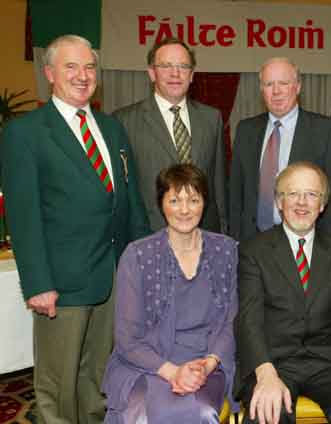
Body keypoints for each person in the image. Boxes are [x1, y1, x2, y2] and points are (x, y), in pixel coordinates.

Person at [0, 34, 150, 424]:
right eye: (71, 66)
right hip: (61, 281)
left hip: (113, 274)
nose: (83, 76)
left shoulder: (111, 128)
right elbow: (23, 215)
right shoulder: (25, 132)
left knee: (99, 376)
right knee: (57, 384)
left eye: (89, 67)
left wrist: (138, 266)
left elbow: (129, 201)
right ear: (49, 73)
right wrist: (37, 283)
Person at [236, 161, 331, 424]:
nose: (302, 203)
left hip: (326, 363)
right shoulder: (253, 251)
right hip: (273, 361)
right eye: (293, 194)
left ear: (322, 205)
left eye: (311, 194)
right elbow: (249, 319)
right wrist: (265, 373)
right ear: (279, 202)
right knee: (268, 413)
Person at [102, 164, 237, 423]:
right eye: (174, 200)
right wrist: (173, 372)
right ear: (161, 204)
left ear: (204, 203)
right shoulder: (138, 255)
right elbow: (127, 339)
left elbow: (231, 322)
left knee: (200, 412)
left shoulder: (226, 251)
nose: (184, 210)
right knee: (139, 415)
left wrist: (207, 365)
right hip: (149, 364)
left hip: (206, 365)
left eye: (193, 200)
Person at [229, 57, 331, 241]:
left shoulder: (327, 131)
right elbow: (236, 194)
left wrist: (330, 251)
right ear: (262, 89)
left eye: (283, 83)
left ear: (298, 87)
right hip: (251, 245)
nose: (276, 91)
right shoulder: (246, 130)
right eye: (269, 84)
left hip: (306, 243)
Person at [115, 37, 227, 234]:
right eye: (166, 66)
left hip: (204, 237)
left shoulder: (212, 118)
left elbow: (218, 185)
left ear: (192, 75)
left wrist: (223, 232)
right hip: (148, 237)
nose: (175, 73)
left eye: (183, 66)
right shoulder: (123, 121)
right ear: (152, 73)